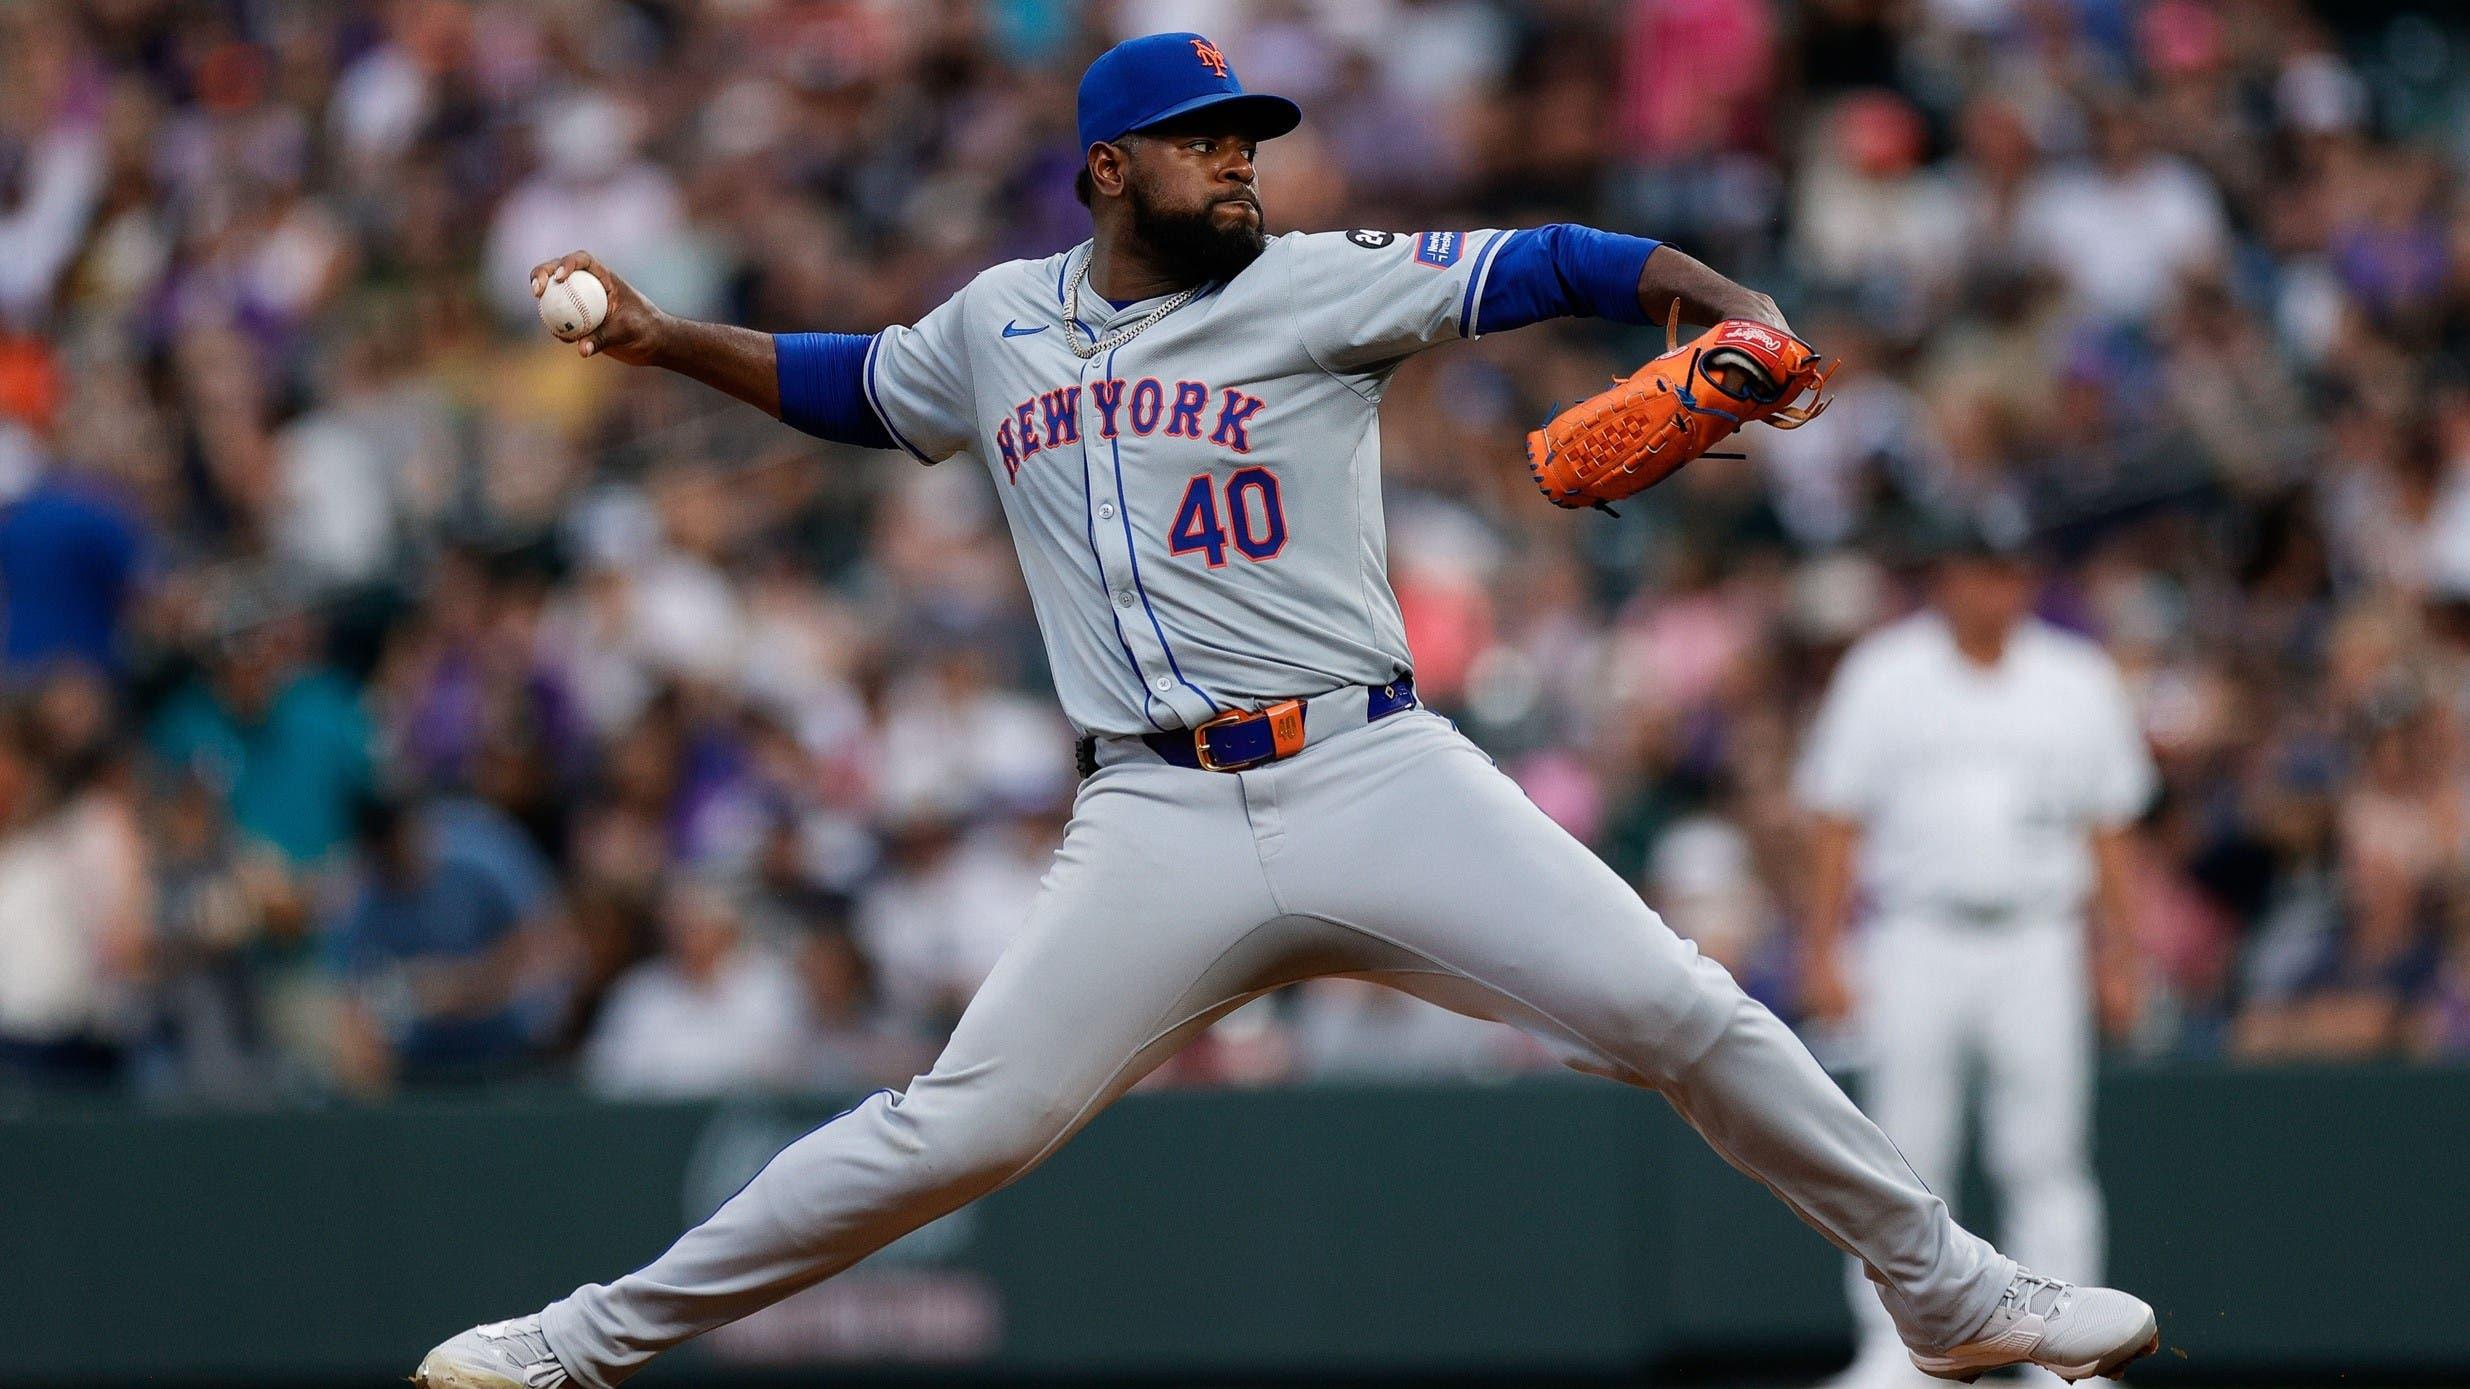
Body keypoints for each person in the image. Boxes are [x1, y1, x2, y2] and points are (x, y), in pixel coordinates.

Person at [416, 33, 2159, 1389]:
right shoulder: (998, 323)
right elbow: (854, 384)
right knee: (960, 1125)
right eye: (1206, 143)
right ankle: (583, 1339)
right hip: (1152, 816)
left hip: (1369, 764)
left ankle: (1952, 1291)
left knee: (1677, 1009)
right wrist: (659, 342)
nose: (1241, 165)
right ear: (1112, 168)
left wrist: (1718, 299)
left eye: (1250, 141)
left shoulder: (1312, 281)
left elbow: (1547, 258)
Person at [1795, 521, 2157, 1389]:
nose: (1988, 588)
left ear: (2024, 577)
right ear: (1943, 576)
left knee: (2045, 1152)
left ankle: (2070, 1354)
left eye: (2003, 570)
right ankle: (1899, 1350)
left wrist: (2121, 955)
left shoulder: (2075, 678)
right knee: (1901, 1153)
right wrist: (1823, 945)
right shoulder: (1885, 673)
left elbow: (2109, 828)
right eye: (1971, 569)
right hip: (1916, 931)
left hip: (2039, 933)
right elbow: (1838, 818)